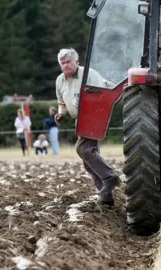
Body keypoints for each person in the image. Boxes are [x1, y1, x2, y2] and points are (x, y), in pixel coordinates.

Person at [54, 48, 119, 206]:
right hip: (81, 119)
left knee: (83, 149)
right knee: (87, 158)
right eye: (63, 63)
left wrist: (94, 114)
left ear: (77, 61)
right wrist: (61, 114)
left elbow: (102, 93)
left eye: (69, 62)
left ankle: (110, 178)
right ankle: (105, 196)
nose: (66, 65)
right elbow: (62, 102)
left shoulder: (88, 73)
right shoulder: (60, 81)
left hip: (93, 113)